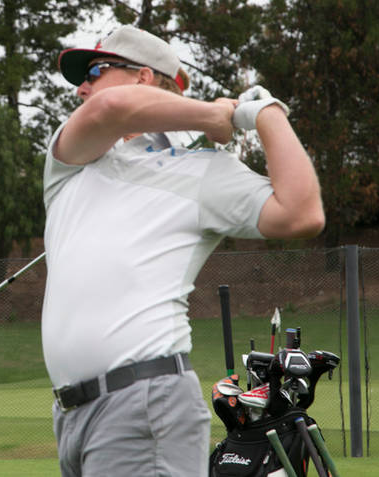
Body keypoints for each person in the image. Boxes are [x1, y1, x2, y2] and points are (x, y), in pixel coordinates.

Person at [42, 25, 325, 476]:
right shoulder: (72, 159)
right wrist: (212, 116)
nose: (82, 87)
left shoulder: (204, 173)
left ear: (143, 78)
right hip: (72, 416)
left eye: (95, 70)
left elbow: (302, 212)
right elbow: (111, 108)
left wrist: (268, 114)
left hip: (143, 405)